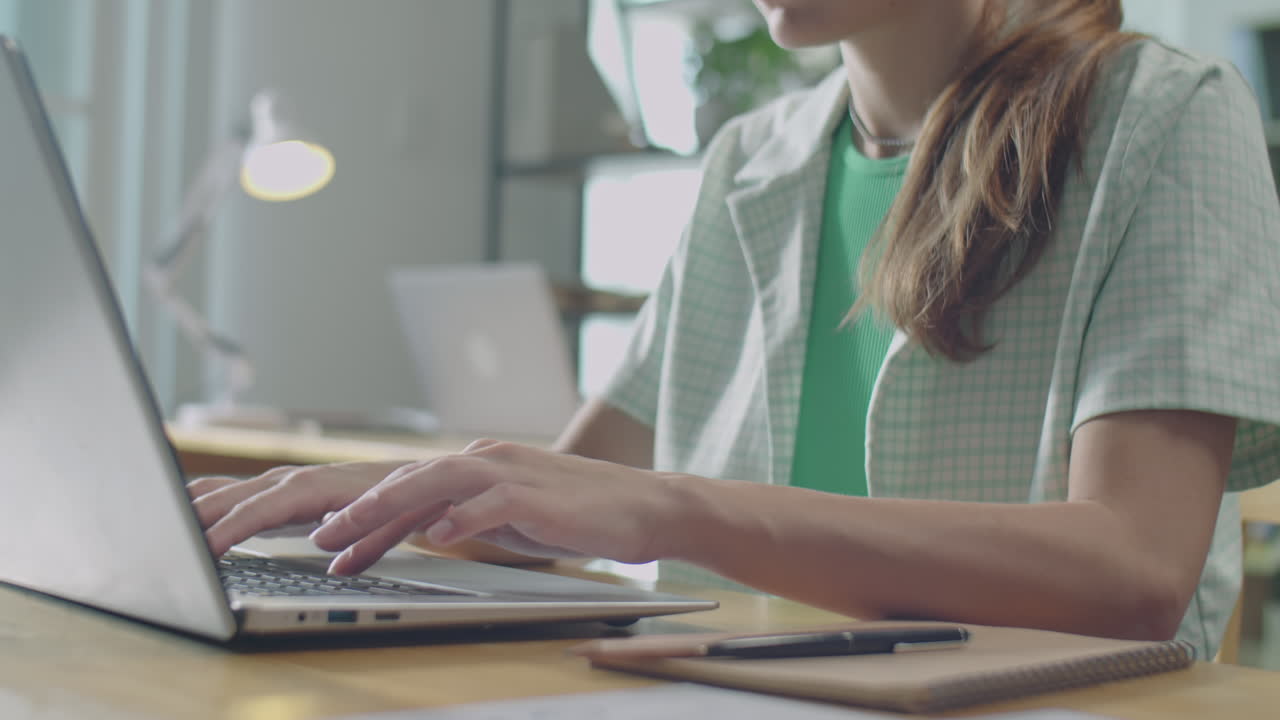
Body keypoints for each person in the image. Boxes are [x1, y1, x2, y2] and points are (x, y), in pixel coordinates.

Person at [189, 0, 1280, 659]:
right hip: (733, 691)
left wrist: (670, 510)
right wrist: (373, 507)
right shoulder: (747, 162)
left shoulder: (1165, 118)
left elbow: (1133, 571)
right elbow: (569, 499)